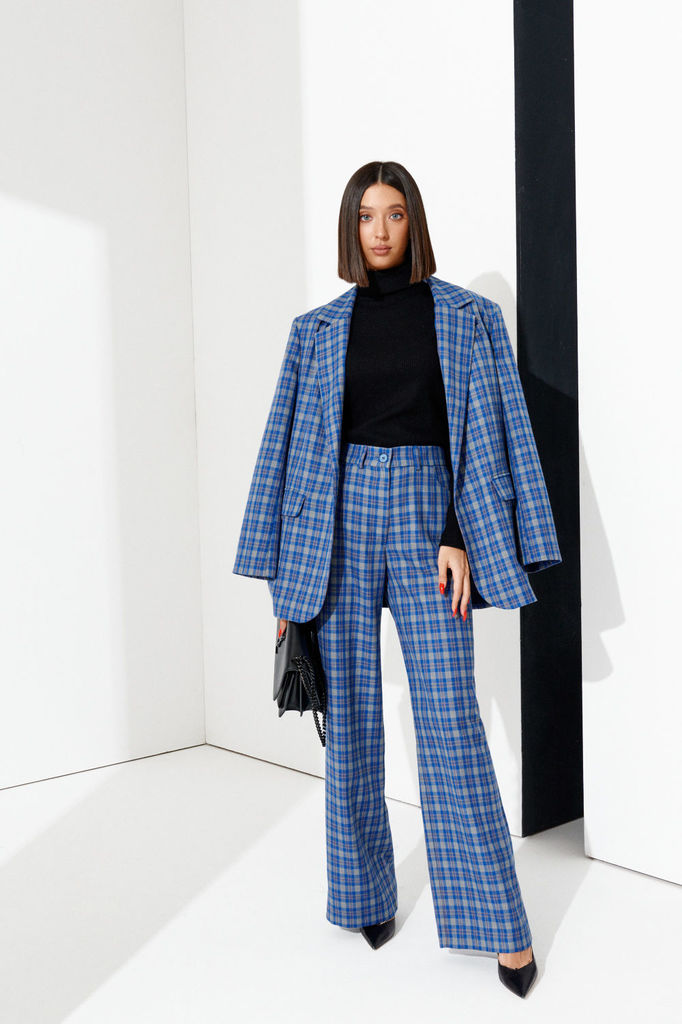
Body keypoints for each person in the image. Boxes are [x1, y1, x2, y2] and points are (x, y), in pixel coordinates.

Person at [232, 161, 562, 999]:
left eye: (395, 214)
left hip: (429, 527)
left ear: (415, 222)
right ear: (350, 226)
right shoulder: (314, 330)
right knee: (350, 729)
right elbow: (284, 450)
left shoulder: (468, 318)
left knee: (451, 726)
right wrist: (285, 588)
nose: (379, 230)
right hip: (334, 530)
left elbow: (493, 431)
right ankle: (364, 897)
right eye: (366, 215)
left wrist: (458, 535)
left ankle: (503, 930)